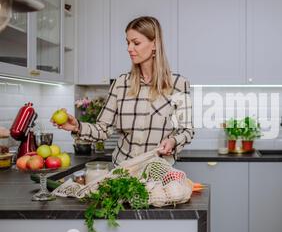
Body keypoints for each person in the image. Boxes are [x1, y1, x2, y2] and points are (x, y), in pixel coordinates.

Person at [53, 16, 194, 166]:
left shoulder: (179, 84)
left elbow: (187, 131)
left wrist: (173, 141)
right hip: (123, 171)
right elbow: (103, 129)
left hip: (158, 171)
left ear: (155, 44)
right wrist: (77, 126)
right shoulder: (121, 84)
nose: (129, 48)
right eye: (128, 43)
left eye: (136, 43)